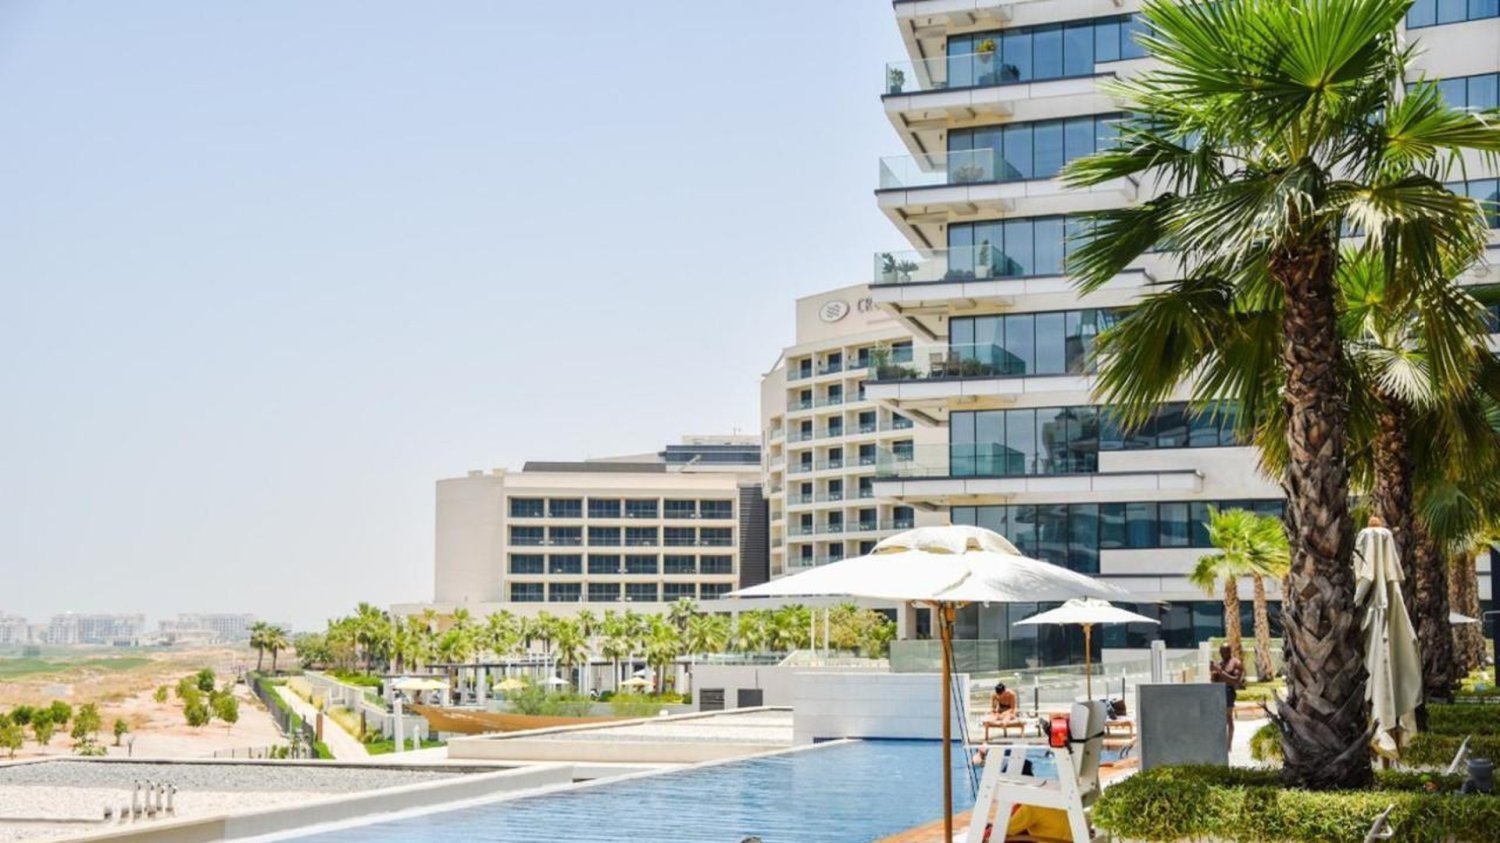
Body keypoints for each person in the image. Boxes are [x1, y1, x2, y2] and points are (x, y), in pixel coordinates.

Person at [1209, 643, 1245, 751]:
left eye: (1225, 651)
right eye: (1221, 652)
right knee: (1218, 719)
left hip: (1229, 691)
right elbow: (1214, 681)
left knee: (1228, 718)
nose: (1223, 654)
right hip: (1218, 692)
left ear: (1229, 651)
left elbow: (1235, 681)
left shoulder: (1236, 663)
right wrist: (1213, 672)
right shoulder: (1219, 663)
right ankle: (1219, 742)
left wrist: (1220, 671)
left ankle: (1229, 745)